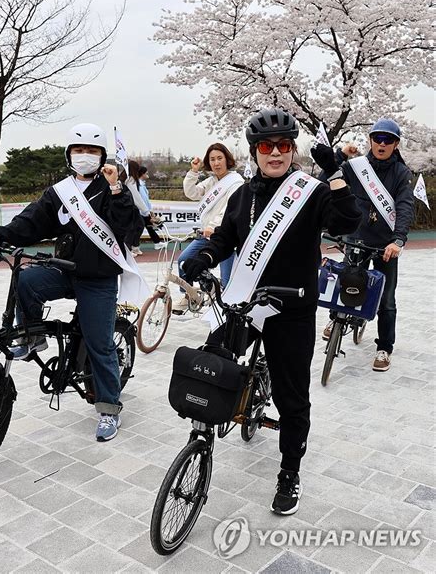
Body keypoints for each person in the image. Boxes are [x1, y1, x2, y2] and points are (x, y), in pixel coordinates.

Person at [181, 108, 361, 515]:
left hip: (292, 309)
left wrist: (335, 174)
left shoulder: (311, 190)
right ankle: (200, 440)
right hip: (247, 302)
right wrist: (204, 257)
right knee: (211, 366)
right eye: (267, 146)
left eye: (283, 146)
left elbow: (347, 222)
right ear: (255, 151)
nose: (275, 153)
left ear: (292, 149)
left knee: (291, 396)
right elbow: (226, 237)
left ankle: (289, 473)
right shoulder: (244, 194)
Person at [0, 123, 135, 442]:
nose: (84, 156)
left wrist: (117, 190)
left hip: (98, 278)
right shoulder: (60, 191)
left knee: (100, 343)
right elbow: (31, 221)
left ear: (102, 157)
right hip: (64, 267)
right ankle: (32, 337)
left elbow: (126, 226)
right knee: (26, 279)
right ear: (68, 154)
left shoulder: (112, 190)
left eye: (92, 151)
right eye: (78, 150)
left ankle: (109, 409)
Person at [320, 118, 414, 373]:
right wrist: (340, 154)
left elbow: (405, 206)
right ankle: (335, 320)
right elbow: (326, 178)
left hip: (385, 246)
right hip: (356, 237)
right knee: (343, 281)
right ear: (370, 140)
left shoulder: (402, 174)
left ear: (396, 144)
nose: (382, 144)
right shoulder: (356, 166)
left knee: (387, 299)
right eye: (378, 138)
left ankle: (384, 347)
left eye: (388, 140)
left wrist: (398, 239)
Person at [173, 143, 244, 313]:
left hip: (227, 238)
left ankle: (227, 317)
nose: (216, 163)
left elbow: (229, 209)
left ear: (227, 160)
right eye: (212, 159)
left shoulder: (236, 182)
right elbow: (192, 193)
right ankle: (189, 295)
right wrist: (193, 172)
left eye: (219, 158)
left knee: (227, 283)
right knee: (184, 261)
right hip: (207, 236)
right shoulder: (211, 181)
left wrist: (212, 226)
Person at [123, 160, 157, 256]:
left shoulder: (128, 179)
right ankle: (128, 249)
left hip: (131, 208)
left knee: (139, 226)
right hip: (130, 208)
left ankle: (134, 247)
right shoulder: (130, 180)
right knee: (132, 229)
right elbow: (136, 196)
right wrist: (146, 210)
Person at [138, 165, 163, 250]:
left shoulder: (141, 184)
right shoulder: (140, 185)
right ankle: (133, 246)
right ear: (142, 174)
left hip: (144, 211)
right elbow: (144, 200)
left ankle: (157, 242)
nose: (148, 174)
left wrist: (149, 210)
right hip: (142, 211)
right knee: (140, 229)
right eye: (146, 173)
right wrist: (148, 211)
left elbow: (145, 200)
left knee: (148, 227)